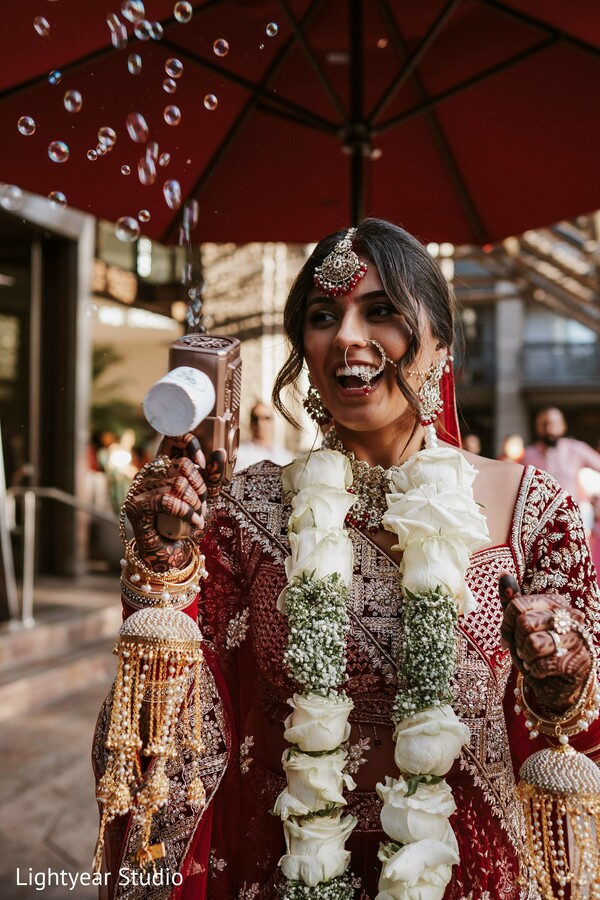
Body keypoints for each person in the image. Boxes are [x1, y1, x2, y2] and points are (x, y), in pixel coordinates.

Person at [93, 220, 600, 900]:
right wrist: (162, 568)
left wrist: (561, 682)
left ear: (443, 343)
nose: (347, 336)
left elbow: (579, 740)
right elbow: (162, 747)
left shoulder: (534, 514)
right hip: (279, 874)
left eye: (382, 311)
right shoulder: (241, 515)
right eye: (324, 315)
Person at [522, 406, 600, 533]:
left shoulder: (577, 449)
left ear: (563, 426)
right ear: (537, 428)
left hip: (572, 521)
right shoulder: (528, 455)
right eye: (544, 424)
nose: (548, 429)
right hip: (540, 524)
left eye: (552, 423)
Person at [235, 401, 294, 470]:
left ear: (272, 423)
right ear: (250, 423)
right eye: (255, 418)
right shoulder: (239, 453)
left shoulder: (285, 457)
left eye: (266, 418)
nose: (260, 423)